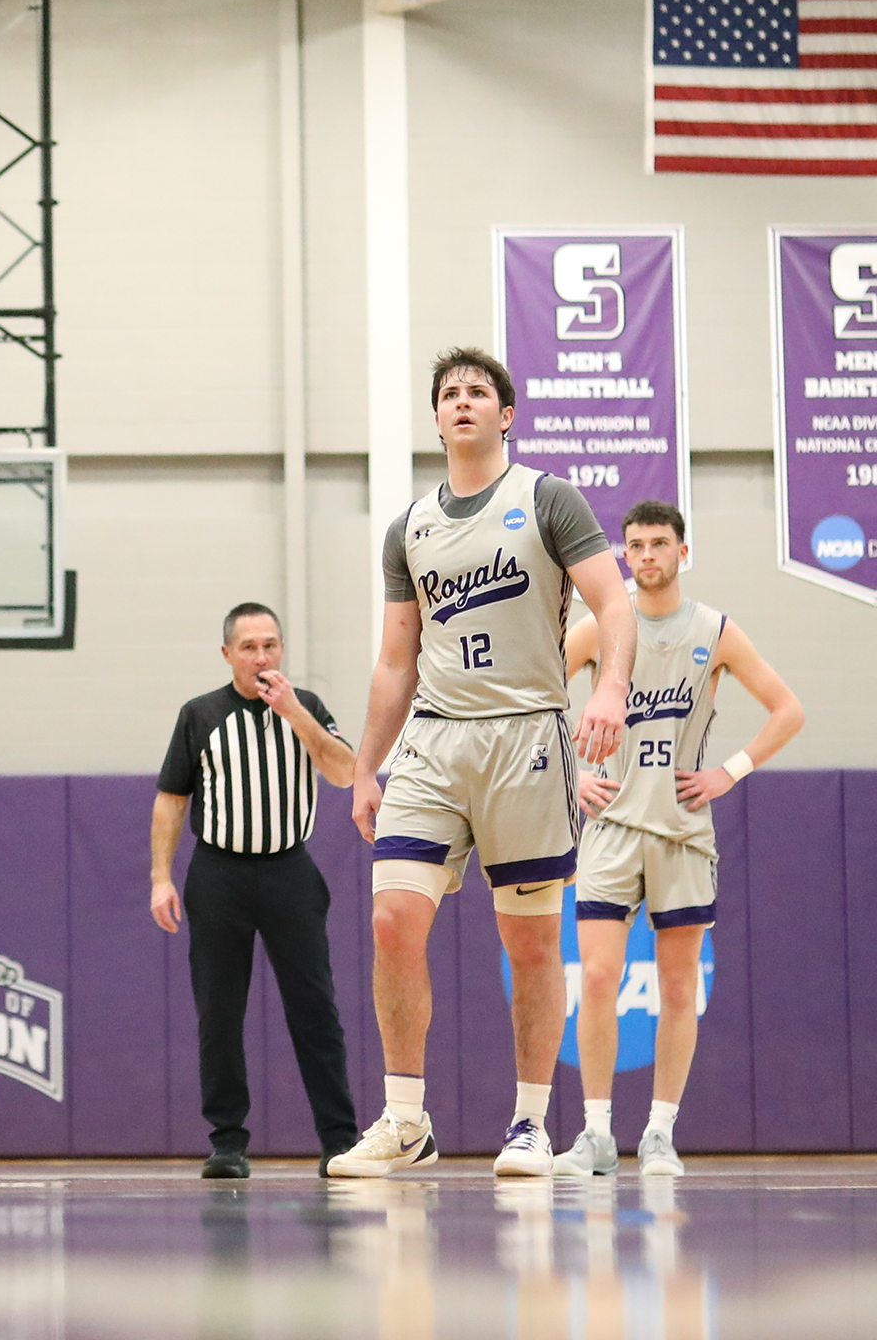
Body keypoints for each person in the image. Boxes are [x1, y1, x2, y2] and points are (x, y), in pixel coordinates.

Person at [328, 346, 635, 1180]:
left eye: (478, 392)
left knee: (529, 944)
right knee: (393, 921)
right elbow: (395, 660)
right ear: (436, 418)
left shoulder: (545, 499)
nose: (462, 402)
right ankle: (403, 1119)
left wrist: (609, 691)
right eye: (449, 393)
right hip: (433, 739)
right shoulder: (411, 528)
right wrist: (365, 766)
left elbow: (613, 602)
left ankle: (530, 1122)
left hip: (527, 735)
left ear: (506, 414)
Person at [552, 500, 805, 1178]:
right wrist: (569, 776)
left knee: (676, 985)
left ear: (682, 552)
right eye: (633, 545)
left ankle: (660, 1131)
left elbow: (789, 710)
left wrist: (731, 770)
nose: (645, 555)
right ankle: (596, 1133)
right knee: (598, 977)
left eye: (658, 543)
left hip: (683, 831)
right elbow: (534, 698)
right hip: (609, 827)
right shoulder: (598, 628)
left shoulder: (714, 631)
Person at [152, 602, 360, 1179]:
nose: (261, 657)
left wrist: (296, 713)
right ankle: (227, 1142)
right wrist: (160, 877)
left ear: (282, 651)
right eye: (249, 647)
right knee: (219, 1013)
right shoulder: (200, 715)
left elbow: (345, 772)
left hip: (290, 872)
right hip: (218, 875)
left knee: (316, 1009)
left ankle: (340, 1141)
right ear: (228, 655)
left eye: (270, 645)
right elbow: (171, 800)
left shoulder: (308, 708)